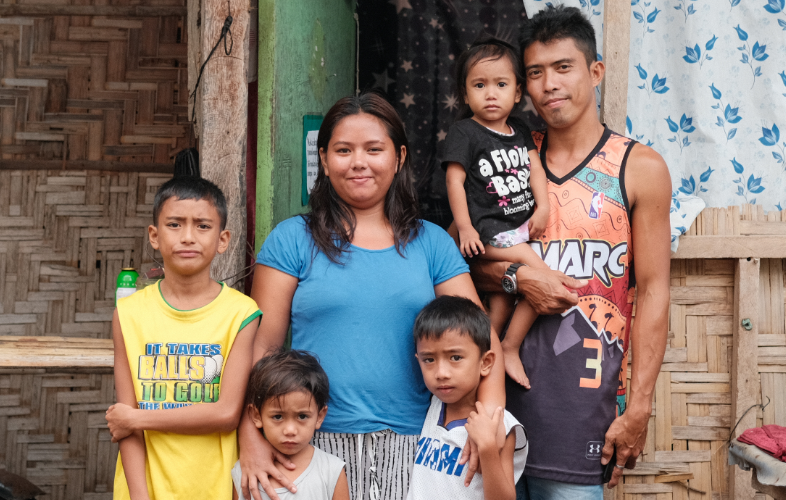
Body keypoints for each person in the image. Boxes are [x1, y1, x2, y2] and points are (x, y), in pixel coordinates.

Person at [242, 92, 504, 500]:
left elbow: (484, 340)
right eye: (343, 150)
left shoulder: (431, 243)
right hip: (313, 445)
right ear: (325, 160)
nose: (359, 162)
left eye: (374, 149)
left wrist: (489, 423)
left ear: (398, 158)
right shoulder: (293, 239)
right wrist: (252, 435)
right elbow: (263, 348)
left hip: (416, 445)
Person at [469, 6, 673, 499]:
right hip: (497, 395)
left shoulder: (638, 167)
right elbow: (469, 263)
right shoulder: (508, 157)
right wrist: (521, 281)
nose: (549, 85)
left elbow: (654, 291)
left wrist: (639, 406)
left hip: (585, 405)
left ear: (594, 71)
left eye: (563, 67)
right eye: (535, 72)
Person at [103, 176, 264, 500]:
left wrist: (137, 418)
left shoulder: (241, 313)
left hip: (214, 488)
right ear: (154, 235)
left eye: (202, 226)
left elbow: (226, 414)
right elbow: (125, 426)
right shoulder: (128, 313)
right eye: (174, 224)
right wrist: (139, 496)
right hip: (144, 489)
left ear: (223, 239)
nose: (188, 237)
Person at [437, 38, 552, 390]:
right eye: (479, 85)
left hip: (516, 227)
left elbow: (535, 171)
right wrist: (466, 228)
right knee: (540, 274)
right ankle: (512, 346)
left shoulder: (519, 131)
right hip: (486, 232)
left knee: (505, 294)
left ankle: (494, 346)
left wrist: (543, 206)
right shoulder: (465, 133)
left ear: (517, 92)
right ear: (465, 93)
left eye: (501, 85)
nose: (490, 94)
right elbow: (454, 182)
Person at [406, 296, 528, 500]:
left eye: (455, 357)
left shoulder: (500, 424)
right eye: (429, 359)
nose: (441, 373)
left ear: (486, 362)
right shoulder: (434, 405)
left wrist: (488, 447)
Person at [232, 349, 350, 500]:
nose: (290, 430)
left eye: (302, 416)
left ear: (320, 416)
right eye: (278, 416)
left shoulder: (331, 470)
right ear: (256, 415)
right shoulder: (244, 471)